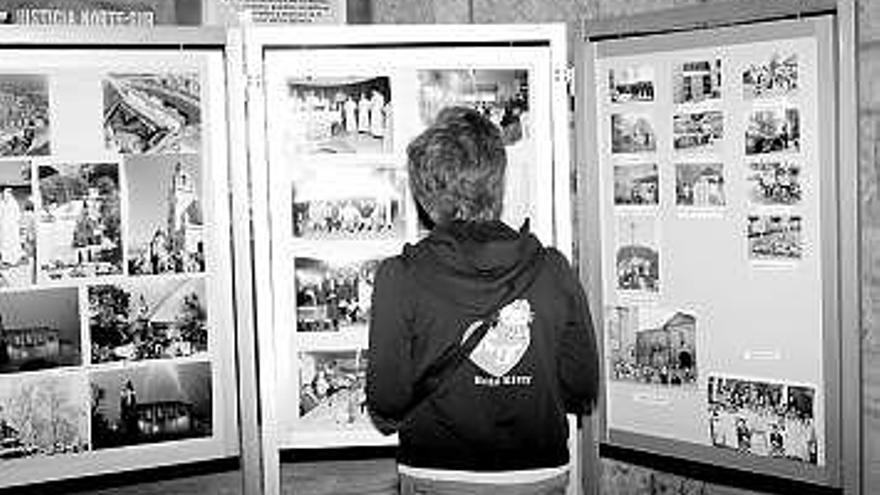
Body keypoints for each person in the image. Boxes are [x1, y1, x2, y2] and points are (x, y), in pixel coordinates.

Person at [366, 106, 599, 495]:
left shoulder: (400, 276)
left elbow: (387, 403)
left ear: (426, 196)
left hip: (437, 472)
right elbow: (581, 387)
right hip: (536, 473)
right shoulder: (553, 269)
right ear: (497, 181)